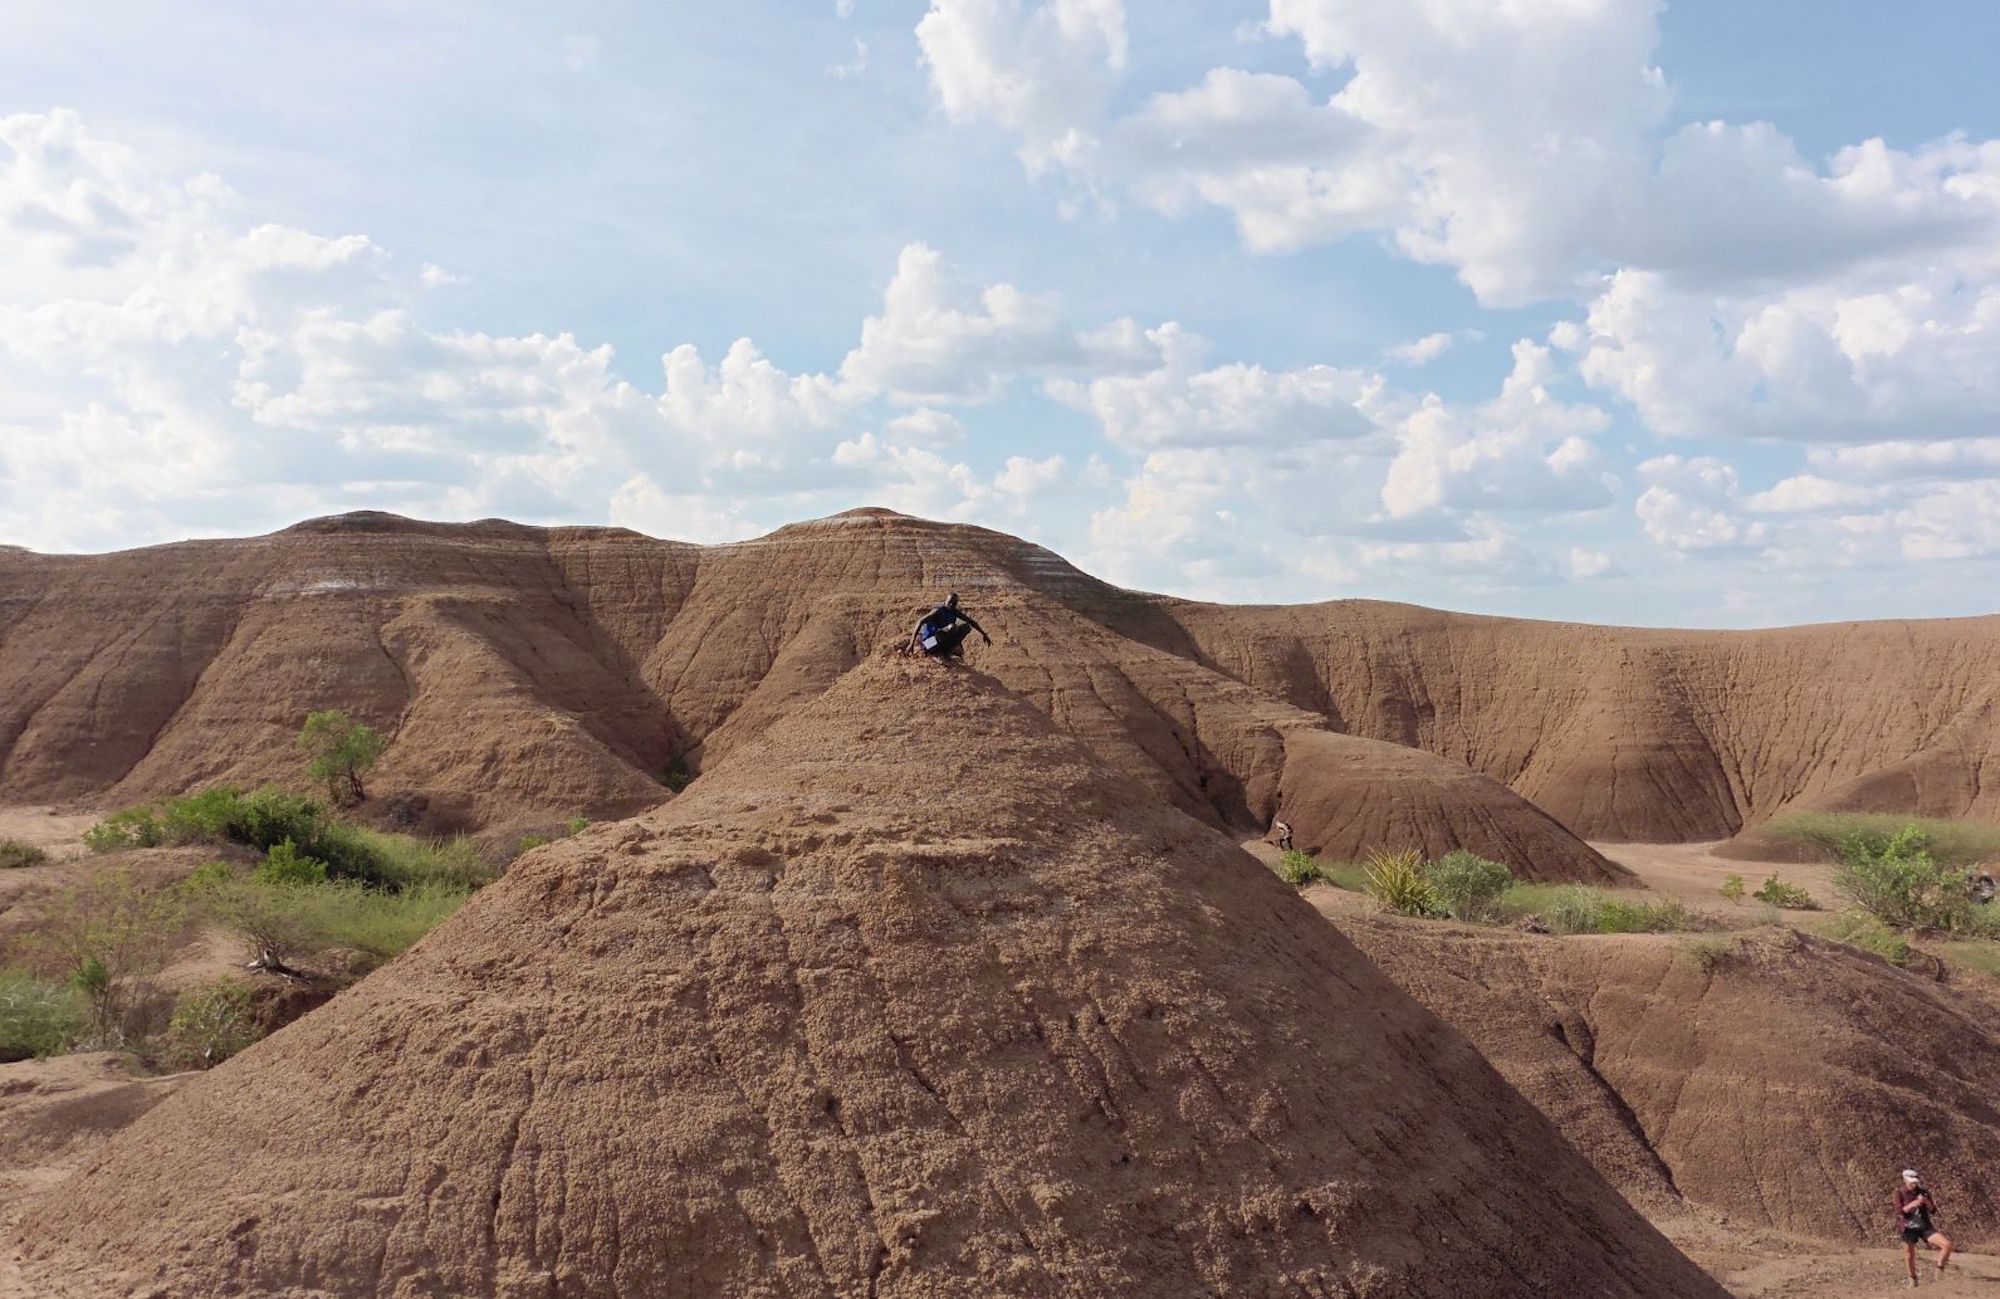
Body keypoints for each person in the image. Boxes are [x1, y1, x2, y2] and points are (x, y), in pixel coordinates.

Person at [1896, 1168, 1952, 1286]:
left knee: (1947, 1245)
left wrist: (1926, 1201)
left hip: (1924, 1226)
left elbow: (1933, 1210)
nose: (1914, 1184)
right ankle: (1913, 1279)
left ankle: (1939, 1270)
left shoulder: (1923, 1192)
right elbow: (1900, 1212)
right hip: (1908, 1227)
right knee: (1909, 1254)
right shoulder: (1900, 1193)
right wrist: (1914, 1203)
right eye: (1912, 1182)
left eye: (1915, 1182)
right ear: (1905, 1180)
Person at [908, 593, 990, 660]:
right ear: (945, 601)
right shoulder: (938, 611)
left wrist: (984, 634)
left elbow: (971, 622)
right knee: (951, 627)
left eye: (954, 603)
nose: (951, 604)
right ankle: (939, 652)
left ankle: (946, 651)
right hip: (928, 644)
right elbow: (920, 621)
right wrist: (911, 644)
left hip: (940, 642)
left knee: (966, 627)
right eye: (949, 602)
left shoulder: (954, 611)